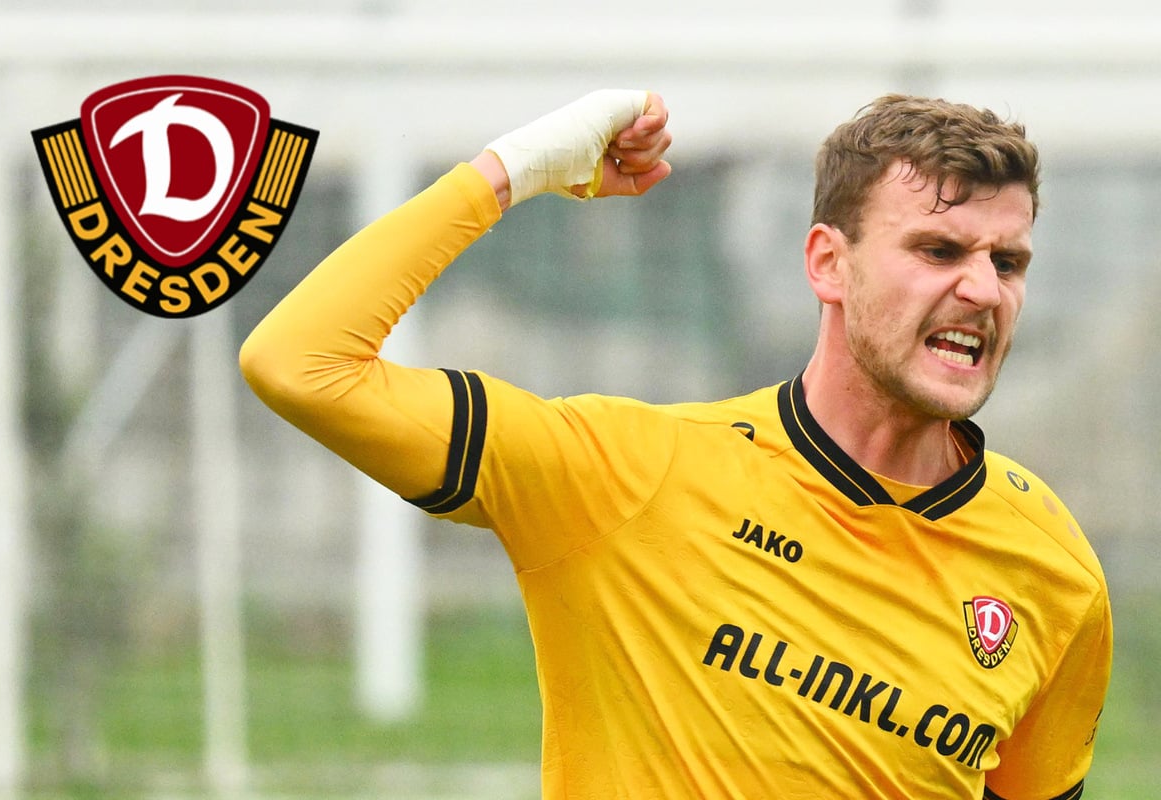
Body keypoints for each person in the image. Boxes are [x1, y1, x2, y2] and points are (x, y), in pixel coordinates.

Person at [239, 89, 1112, 799]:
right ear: (826, 263)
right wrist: (512, 170)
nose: (983, 290)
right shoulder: (624, 475)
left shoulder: (1053, 569)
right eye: (939, 250)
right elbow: (300, 364)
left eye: (1008, 263)